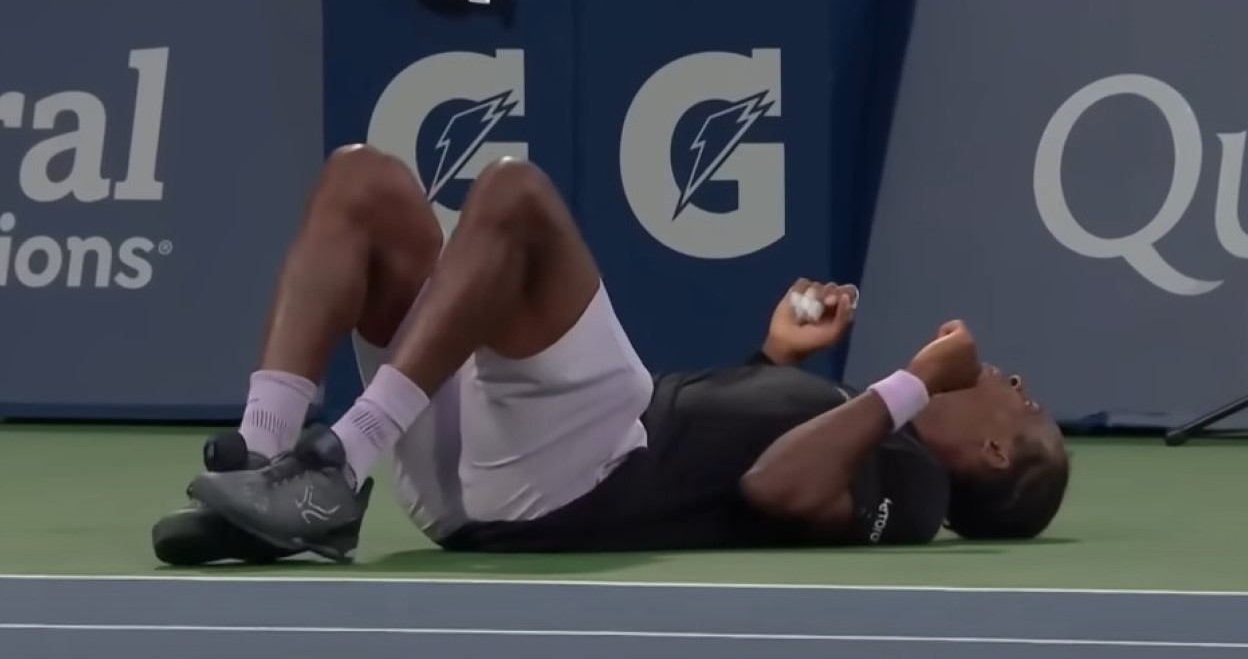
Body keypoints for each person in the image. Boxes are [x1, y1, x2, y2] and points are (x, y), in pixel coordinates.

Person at [152, 145, 1070, 565]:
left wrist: (912, 381)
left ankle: (335, 467)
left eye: (1025, 404)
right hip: (512, 469)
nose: (1013, 381)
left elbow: (778, 490)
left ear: (994, 454)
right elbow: (738, 451)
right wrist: (775, 358)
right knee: (364, 181)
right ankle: (263, 465)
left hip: (591, 466)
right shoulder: (869, 429)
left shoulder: (918, 491)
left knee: (516, 197)